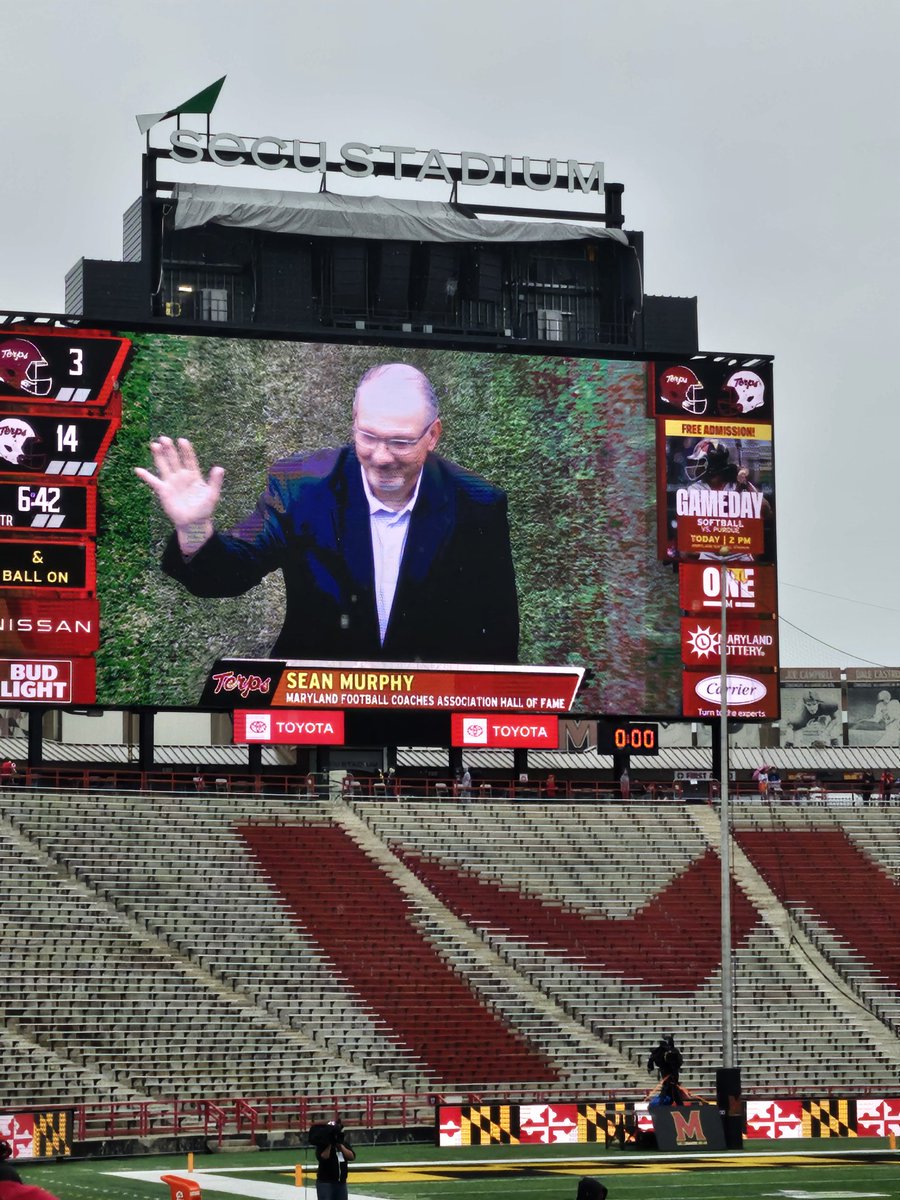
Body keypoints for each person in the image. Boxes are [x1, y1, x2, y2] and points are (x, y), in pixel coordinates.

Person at [135, 363, 519, 664]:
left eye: (400, 442)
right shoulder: (302, 487)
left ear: (433, 434)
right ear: (353, 418)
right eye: (368, 436)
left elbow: (497, 637)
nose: (381, 457)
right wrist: (195, 527)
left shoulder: (478, 504)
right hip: (314, 706)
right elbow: (231, 571)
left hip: (426, 714)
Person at [312, 1119, 355, 1200]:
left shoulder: (342, 1143)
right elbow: (323, 1157)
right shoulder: (322, 1144)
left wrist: (340, 1146)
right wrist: (330, 1144)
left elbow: (351, 1157)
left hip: (341, 1183)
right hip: (326, 1183)